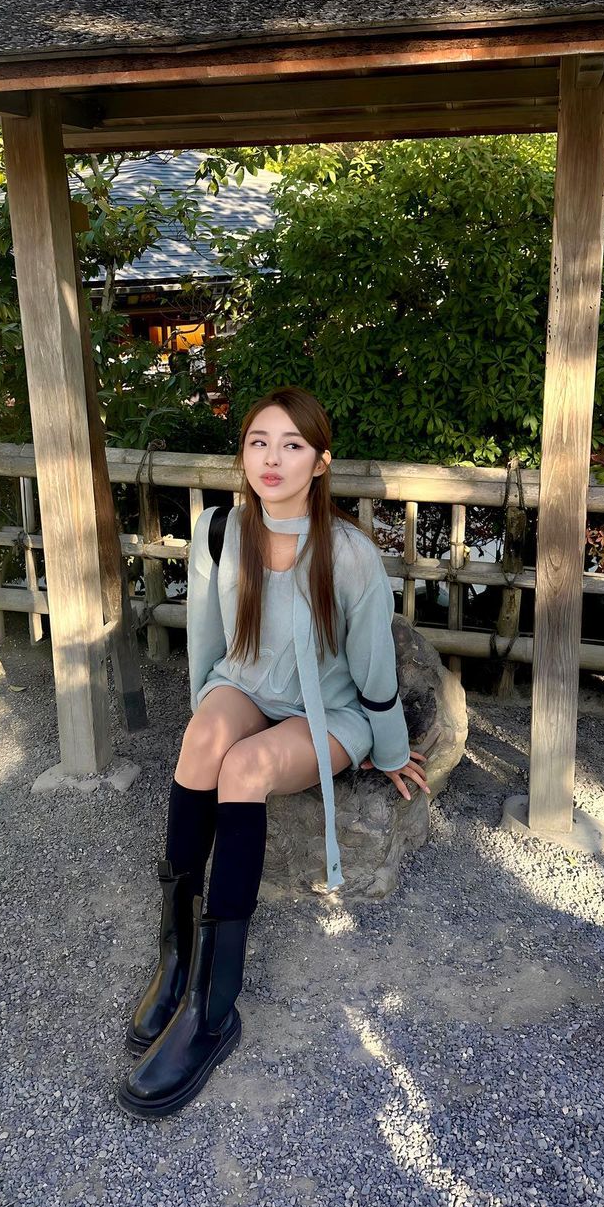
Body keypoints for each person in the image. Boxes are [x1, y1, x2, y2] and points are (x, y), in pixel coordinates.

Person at [116, 385, 429, 1119]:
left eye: (292, 445)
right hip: (247, 682)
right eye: (259, 441)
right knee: (205, 741)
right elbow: (206, 640)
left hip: (331, 710)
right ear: (244, 454)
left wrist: (391, 750)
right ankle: (176, 952)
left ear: (320, 462)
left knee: (245, 768)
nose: (272, 458)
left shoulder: (349, 554)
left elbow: (374, 667)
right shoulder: (220, 530)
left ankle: (213, 1004)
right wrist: (210, 713)